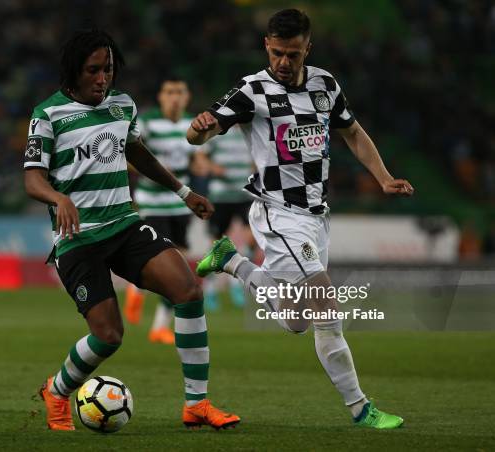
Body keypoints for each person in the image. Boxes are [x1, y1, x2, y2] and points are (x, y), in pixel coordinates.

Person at [187, 9, 413, 429]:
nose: (284, 63)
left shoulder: (325, 84)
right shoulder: (252, 90)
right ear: (266, 47)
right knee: (327, 307)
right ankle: (361, 408)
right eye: (276, 53)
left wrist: (383, 178)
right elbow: (201, 131)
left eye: (292, 54)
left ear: (308, 47)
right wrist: (199, 129)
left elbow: (353, 133)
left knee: (294, 320)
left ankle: (231, 261)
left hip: (315, 217)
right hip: (277, 213)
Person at [24, 29, 239, 431]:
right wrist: (59, 198)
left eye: (108, 69)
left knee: (188, 290)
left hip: (124, 224)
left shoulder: (122, 105)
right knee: (109, 336)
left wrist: (183, 190)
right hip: (78, 240)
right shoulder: (47, 114)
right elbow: (32, 180)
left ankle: (196, 403)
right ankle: (56, 390)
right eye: (94, 70)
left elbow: (136, 151)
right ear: (74, 70)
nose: (103, 78)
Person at [124, 76, 209, 344]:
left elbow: (197, 159)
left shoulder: (189, 124)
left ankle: (159, 327)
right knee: (158, 259)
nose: (174, 97)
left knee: (180, 266)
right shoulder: (148, 122)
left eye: (179, 92)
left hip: (179, 202)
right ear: (161, 97)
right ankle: (136, 290)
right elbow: (131, 155)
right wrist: (155, 173)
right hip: (152, 202)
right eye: (169, 91)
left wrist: (201, 167)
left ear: (187, 97)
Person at [201, 124, 256, 311]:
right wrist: (213, 167)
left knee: (255, 236)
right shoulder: (217, 132)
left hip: (245, 194)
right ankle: (209, 290)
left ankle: (235, 283)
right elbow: (200, 156)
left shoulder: (251, 131)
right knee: (216, 245)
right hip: (220, 195)